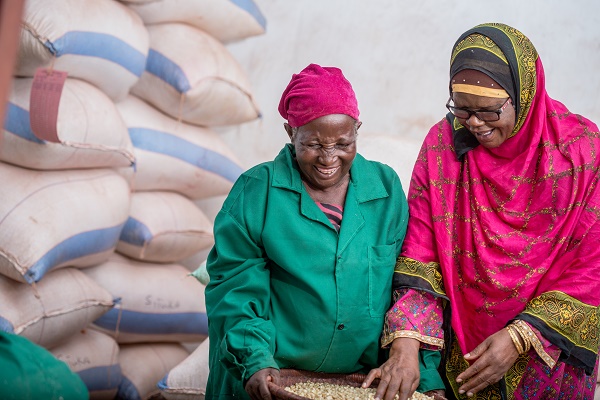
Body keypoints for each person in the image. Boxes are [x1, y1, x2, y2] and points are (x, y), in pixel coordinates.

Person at [364, 22, 600, 400]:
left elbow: (593, 265)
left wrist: (521, 336)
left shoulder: (581, 153)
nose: (473, 123)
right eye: (462, 109)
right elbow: (421, 251)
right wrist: (406, 342)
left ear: (524, 95)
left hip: (549, 363)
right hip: (465, 357)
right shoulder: (444, 146)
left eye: (489, 111)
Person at [203, 63, 444, 399]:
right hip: (273, 374)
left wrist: (429, 379)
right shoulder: (257, 192)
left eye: (343, 142)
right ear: (291, 132)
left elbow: (408, 284)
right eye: (313, 144)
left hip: (358, 383)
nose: (329, 157)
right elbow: (235, 288)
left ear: (357, 129)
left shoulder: (385, 189)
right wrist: (255, 361)